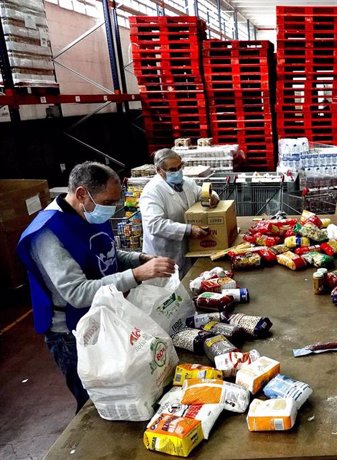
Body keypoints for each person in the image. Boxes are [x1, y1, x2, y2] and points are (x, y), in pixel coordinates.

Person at [17, 161, 176, 412]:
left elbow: (106, 251)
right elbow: (77, 293)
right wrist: (135, 275)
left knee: (124, 385)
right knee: (95, 400)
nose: (112, 208)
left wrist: (138, 259)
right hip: (74, 332)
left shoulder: (88, 212)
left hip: (105, 314)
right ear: (82, 194)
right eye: (109, 201)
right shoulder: (48, 234)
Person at [139, 148, 218, 277]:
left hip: (187, 250)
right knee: (166, 294)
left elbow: (201, 193)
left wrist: (212, 196)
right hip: (164, 254)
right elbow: (154, 224)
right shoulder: (152, 191)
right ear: (159, 170)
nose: (177, 172)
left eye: (179, 167)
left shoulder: (187, 183)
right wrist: (189, 230)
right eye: (172, 170)